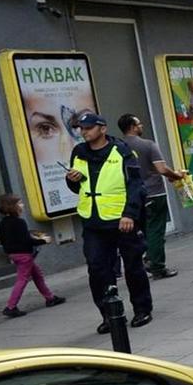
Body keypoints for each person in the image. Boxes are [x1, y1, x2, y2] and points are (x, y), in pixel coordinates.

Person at [65, 113, 153, 332]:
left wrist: (129, 214)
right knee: (97, 269)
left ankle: (142, 309)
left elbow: (136, 185)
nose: (83, 132)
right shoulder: (78, 153)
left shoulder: (122, 151)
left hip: (122, 220)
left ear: (102, 129)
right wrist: (71, 180)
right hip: (93, 221)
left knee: (133, 267)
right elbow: (78, 187)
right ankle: (110, 314)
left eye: (88, 128)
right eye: (81, 129)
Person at [116, 114, 191, 280]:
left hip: (131, 196)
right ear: (132, 127)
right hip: (154, 193)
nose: (141, 126)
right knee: (156, 230)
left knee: (143, 231)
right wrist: (177, 176)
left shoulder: (117, 147)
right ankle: (157, 266)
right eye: (139, 123)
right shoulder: (148, 145)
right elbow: (162, 169)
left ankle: (146, 259)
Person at [0, 193, 62, 318]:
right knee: (22, 280)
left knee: (37, 275)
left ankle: (50, 297)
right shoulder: (19, 222)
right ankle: (11, 306)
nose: (23, 205)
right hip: (24, 255)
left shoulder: (3, 223)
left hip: (14, 254)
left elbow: (4, 240)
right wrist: (43, 241)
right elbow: (27, 241)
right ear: (12, 207)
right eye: (20, 203)